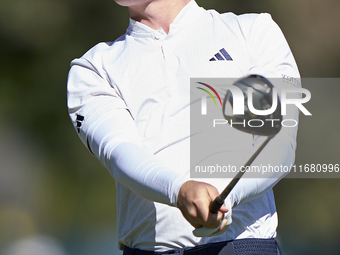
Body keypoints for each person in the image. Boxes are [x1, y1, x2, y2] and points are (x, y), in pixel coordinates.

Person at [67, 0, 300, 254]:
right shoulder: (93, 68)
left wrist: (224, 198)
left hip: (242, 247)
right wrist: (179, 191)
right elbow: (120, 152)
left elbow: (278, 145)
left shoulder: (254, 31)